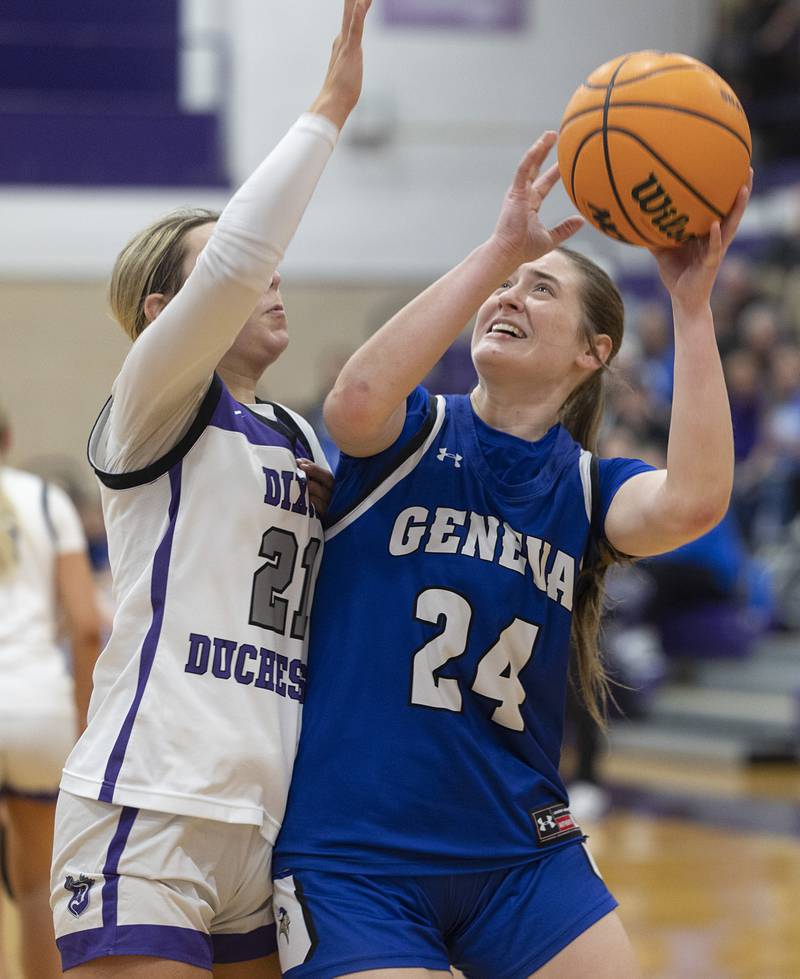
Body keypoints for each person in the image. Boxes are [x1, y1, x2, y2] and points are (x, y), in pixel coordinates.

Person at [273, 132, 751, 978]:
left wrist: (690, 303)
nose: (511, 296)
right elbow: (352, 402)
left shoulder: (589, 487)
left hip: (519, 853)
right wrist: (503, 245)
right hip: (358, 852)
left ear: (592, 351)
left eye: (541, 289)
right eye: (505, 286)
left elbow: (696, 500)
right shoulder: (414, 430)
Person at [49, 1, 371, 975]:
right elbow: (235, 259)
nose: (269, 279)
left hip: (264, 814)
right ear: (165, 314)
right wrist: (327, 107)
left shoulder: (300, 433)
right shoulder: (152, 400)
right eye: (242, 271)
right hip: (151, 797)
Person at [0, 405, 102, 978]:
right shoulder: (47, 500)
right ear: (9, 438)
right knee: (38, 888)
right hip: (39, 710)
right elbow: (88, 625)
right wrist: (84, 723)